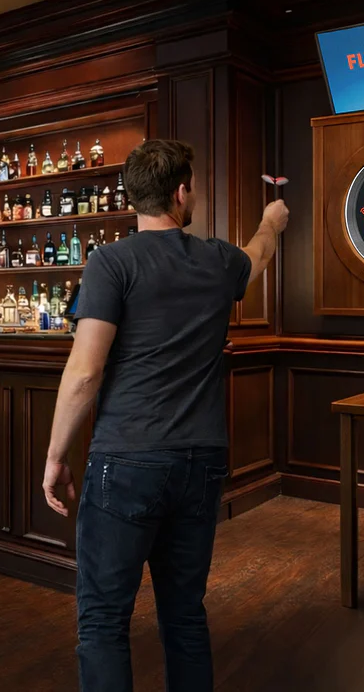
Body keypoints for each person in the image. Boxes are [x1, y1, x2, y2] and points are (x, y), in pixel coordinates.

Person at [42, 139, 288, 692]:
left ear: (134, 196)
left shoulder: (110, 262)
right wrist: (272, 219)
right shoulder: (218, 260)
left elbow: (84, 372)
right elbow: (260, 253)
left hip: (126, 459)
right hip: (201, 462)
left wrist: (56, 456)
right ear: (181, 193)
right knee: (185, 614)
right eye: (193, 186)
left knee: (104, 622)